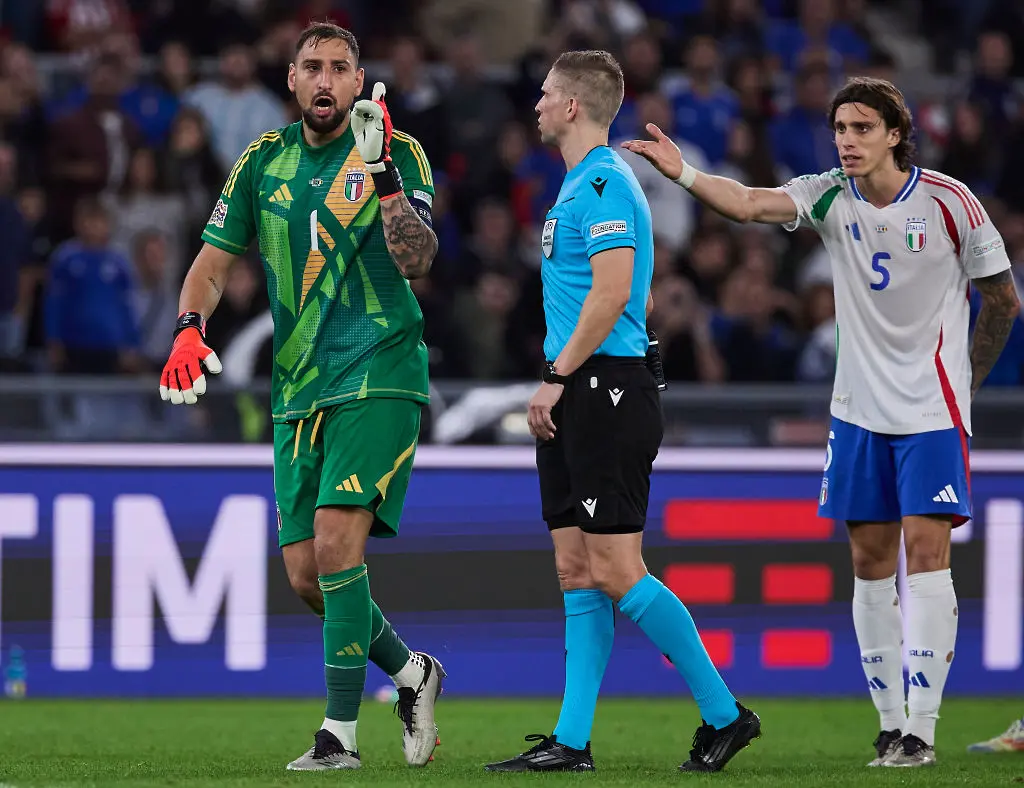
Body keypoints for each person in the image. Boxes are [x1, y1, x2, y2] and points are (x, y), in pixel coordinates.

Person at [622, 76, 1020, 768]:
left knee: (926, 556)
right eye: (841, 129)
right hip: (858, 413)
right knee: (869, 564)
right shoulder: (827, 193)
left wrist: (967, 381)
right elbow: (747, 203)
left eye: (863, 128)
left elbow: (1003, 300)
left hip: (932, 411)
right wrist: (683, 172)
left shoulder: (952, 202)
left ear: (896, 133)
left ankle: (923, 729)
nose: (848, 141)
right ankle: (891, 726)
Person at [157, 22, 444, 771]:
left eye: (339, 68)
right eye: (311, 67)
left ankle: (338, 738)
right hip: (298, 388)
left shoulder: (399, 150)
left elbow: (418, 261)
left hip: (379, 370)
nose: (325, 80)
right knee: (307, 576)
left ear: (358, 81)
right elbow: (211, 263)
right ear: (290, 80)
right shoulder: (263, 160)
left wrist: (380, 172)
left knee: (337, 544)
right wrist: (190, 328)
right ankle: (412, 674)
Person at [485, 50, 761, 775]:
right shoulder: (580, 184)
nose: (537, 104)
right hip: (582, 389)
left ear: (574, 105)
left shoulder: (605, 181)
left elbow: (611, 294)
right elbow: (608, 293)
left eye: (546, 94)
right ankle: (572, 742)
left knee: (616, 567)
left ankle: (726, 715)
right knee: (577, 568)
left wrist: (555, 375)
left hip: (603, 387)